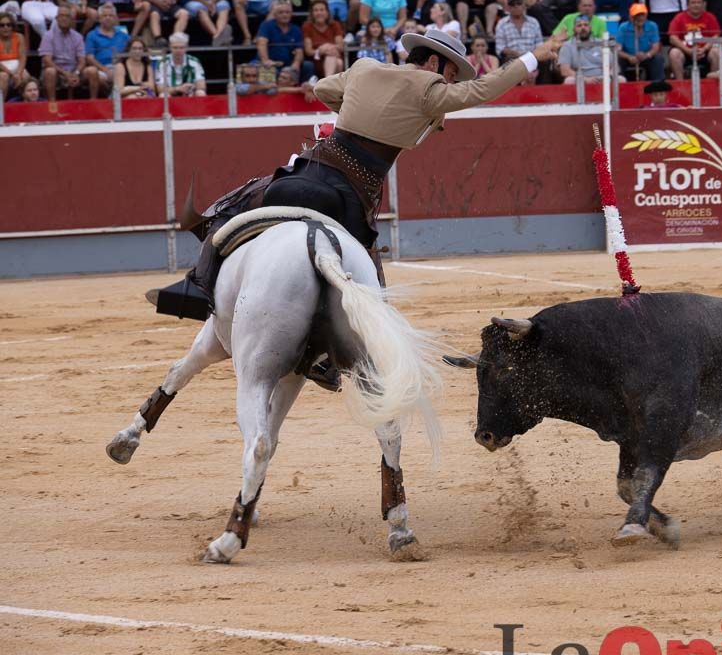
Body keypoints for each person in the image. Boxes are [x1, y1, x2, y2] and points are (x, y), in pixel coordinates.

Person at [149, 26, 565, 386]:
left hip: (308, 168)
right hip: (348, 196)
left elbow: (322, 89)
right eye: (452, 73)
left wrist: (356, 110)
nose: (451, 83)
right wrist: (534, 56)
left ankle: (195, 286)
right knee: (365, 277)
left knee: (243, 202)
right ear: (437, 65)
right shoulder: (429, 88)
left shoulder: (365, 68)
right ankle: (332, 356)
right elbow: (483, 90)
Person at [667, 0, 722, 79]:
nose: (696, 5)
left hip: (705, 51)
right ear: (688, 4)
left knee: (716, 52)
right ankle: (681, 85)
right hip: (685, 51)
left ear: (703, 4)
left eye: (699, 2)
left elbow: (715, 36)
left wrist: (704, 49)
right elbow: (672, 38)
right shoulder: (679, 18)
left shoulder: (710, 17)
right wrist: (688, 51)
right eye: (693, 2)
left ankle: (712, 84)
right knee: (674, 53)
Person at [559, 14, 623, 84]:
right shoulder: (567, 46)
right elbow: (565, 70)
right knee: (569, 81)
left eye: (586, 25)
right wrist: (585, 79)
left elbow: (615, 66)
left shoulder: (601, 43)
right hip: (580, 79)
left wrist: (608, 76)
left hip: (602, 78)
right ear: (574, 29)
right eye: (579, 25)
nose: (583, 28)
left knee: (621, 79)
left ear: (590, 27)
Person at [83, 3, 128, 98]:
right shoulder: (92, 35)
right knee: (96, 75)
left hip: (119, 68)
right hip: (101, 69)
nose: (108, 18)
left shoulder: (123, 35)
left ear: (115, 18)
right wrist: (105, 70)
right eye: (104, 16)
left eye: (111, 16)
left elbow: (130, 51)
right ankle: (95, 102)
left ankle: (113, 98)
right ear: (99, 18)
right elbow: (89, 58)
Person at [494, 0, 544, 81]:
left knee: (545, 60)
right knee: (507, 61)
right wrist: (517, 54)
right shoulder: (502, 23)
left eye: (518, 4)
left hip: (533, 56)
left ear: (524, 6)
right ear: (508, 8)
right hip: (512, 57)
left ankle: (545, 91)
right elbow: (500, 48)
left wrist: (530, 56)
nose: (516, 7)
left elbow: (539, 44)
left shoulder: (533, 22)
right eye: (512, 5)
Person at [39, 5, 85, 98]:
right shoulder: (48, 35)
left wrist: (76, 73)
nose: (64, 18)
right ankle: (52, 104)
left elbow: (82, 60)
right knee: (50, 72)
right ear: (56, 18)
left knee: (91, 71)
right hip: (56, 71)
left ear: (72, 19)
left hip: (73, 71)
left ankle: (93, 103)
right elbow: (47, 60)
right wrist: (64, 73)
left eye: (67, 16)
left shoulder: (78, 37)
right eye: (61, 16)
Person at [257, 1, 308, 79]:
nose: (284, 15)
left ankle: (305, 88)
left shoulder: (296, 29)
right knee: (264, 69)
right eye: (281, 12)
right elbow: (261, 44)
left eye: (287, 12)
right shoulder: (266, 25)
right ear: (275, 15)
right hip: (270, 62)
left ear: (291, 14)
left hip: (288, 63)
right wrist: (265, 60)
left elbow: (299, 51)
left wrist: (296, 63)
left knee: (308, 66)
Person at [615, 3, 664, 81]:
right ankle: (620, 84)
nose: (640, 18)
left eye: (642, 15)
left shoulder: (652, 26)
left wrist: (647, 55)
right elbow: (617, 49)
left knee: (658, 59)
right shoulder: (623, 27)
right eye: (637, 15)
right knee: (617, 60)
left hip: (646, 56)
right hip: (628, 57)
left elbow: (656, 47)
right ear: (631, 17)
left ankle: (658, 84)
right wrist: (629, 57)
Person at [304, 0, 345, 78]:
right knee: (338, 62)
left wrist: (327, 47)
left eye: (322, 10)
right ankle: (329, 85)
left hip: (334, 56)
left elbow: (340, 46)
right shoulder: (307, 26)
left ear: (327, 12)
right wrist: (320, 50)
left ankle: (326, 83)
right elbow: (308, 51)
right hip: (317, 60)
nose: (319, 13)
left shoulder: (335, 25)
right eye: (316, 10)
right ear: (312, 13)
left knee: (338, 61)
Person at [0, 12, 29, 99]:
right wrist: (12, 74)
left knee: (26, 77)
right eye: (2, 25)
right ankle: (1, 107)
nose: (6, 27)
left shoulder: (19, 37)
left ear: (12, 26)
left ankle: (26, 104)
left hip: (17, 68)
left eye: (9, 25)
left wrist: (18, 73)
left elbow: (23, 58)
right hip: (2, 70)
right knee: (3, 77)